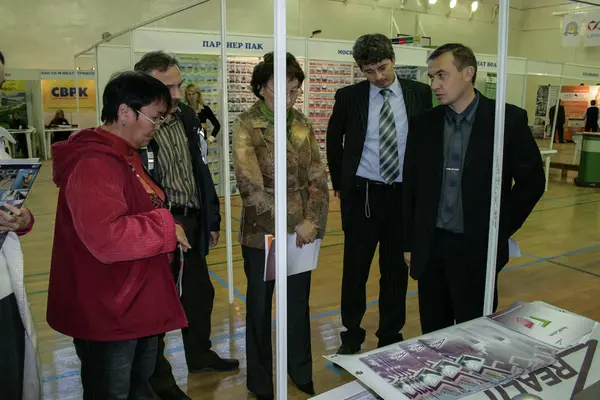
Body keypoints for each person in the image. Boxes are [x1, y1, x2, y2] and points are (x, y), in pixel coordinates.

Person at [46, 71, 189, 399]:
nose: (157, 127)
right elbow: (108, 237)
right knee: (112, 391)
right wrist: (167, 227)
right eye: (154, 118)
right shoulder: (94, 163)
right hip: (108, 308)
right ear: (125, 112)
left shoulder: (126, 155)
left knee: (139, 385)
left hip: (132, 302)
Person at [402, 43, 546, 334]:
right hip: (432, 248)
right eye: (431, 77)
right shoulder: (423, 124)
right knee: (434, 332)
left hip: (478, 248)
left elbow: (532, 183)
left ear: (468, 73)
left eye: (442, 75)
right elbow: (411, 187)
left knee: (476, 333)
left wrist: (499, 227)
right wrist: (409, 242)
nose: (435, 85)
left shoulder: (507, 120)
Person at [134, 51, 239, 400]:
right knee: (158, 302)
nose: (177, 93)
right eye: (169, 87)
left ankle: (199, 355)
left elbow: (201, 171)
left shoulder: (187, 117)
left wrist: (211, 217)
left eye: (178, 85)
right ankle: (159, 380)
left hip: (191, 221)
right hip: (157, 225)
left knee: (198, 294)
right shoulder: (136, 127)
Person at [326, 33, 432, 354]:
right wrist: (342, 186)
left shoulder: (420, 94)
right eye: (369, 72)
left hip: (402, 197)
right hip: (363, 197)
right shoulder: (349, 97)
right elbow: (334, 143)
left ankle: (390, 335)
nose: (378, 77)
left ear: (393, 60)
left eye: (382, 68)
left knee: (396, 271)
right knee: (355, 271)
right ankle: (351, 334)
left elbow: (425, 144)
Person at [233, 51, 329, 400]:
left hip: (302, 232)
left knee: (297, 305)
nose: (288, 98)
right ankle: (260, 380)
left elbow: (318, 175)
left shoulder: (301, 122)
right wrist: (294, 223)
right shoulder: (247, 124)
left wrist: (312, 220)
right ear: (261, 88)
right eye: (280, 89)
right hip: (263, 234)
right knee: (259, 306)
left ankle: (300, 369)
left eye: (294, 90)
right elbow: (250, 185)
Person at [0, 51, 42, 400]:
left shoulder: (1, 138)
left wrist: (22, 219)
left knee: (10, 378)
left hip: (2, 289)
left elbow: (16, 208)